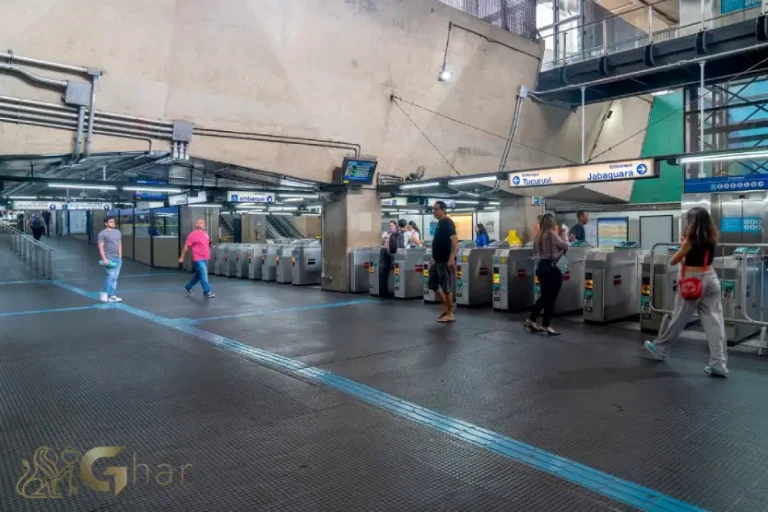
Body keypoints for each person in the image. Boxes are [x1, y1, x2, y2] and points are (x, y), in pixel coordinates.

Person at [644, 207, 728, 377]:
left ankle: (661, 348)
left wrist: (682, 248)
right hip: (711, 278)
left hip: (692, 280)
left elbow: (675, 260)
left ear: (692, 221)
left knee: (679, 317)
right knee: (715, 322)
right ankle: (718, 364)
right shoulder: (712, 237)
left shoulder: (690, 240)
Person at [525, 214, 569, 335]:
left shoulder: (539, 235)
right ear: (551, 223)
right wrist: (565, 234)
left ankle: (532, 320)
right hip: (553, 268)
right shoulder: (551, 234)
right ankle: (546, 325)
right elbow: (565, 246)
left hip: (542, 267)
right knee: (551, 297)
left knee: (545, 296)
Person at [428, 201, 458, 323]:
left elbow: (455, 241)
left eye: (435, 209)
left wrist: (451, 258)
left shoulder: (447, 222)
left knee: (446, 287)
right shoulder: (440, 223)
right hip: (437, 260)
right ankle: (449, 307)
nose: (433, 211)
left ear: (443, 210)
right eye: (433, 209)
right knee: (432, 285)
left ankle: (450, 314)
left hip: (445, 260)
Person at [179, 218, 216, 298]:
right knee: (204, 273)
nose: (203, 224)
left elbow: (207, 243)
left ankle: (188, 286)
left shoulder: (205, 233)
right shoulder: (192, 235)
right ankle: (207, 291)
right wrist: (182, 257)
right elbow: (186, 247)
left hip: (206, 257)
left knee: (199, 275)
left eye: (204, 223)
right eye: (201, 223)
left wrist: (211, 245)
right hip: (198, 258)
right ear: (197, 224)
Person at [98, 216, 123, 303]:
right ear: (106, 223)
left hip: (118, 259)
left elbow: (119, 244)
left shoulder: (118, 232)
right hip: (108, 259)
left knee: (115, 278)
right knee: (111, 276)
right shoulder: (102, 234)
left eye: (113, 221)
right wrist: (104, 259)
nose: (113, 223)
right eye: (111, 222)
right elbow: (100, 248)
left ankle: (112, 296)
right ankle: (104, 293)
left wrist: (120, 255)